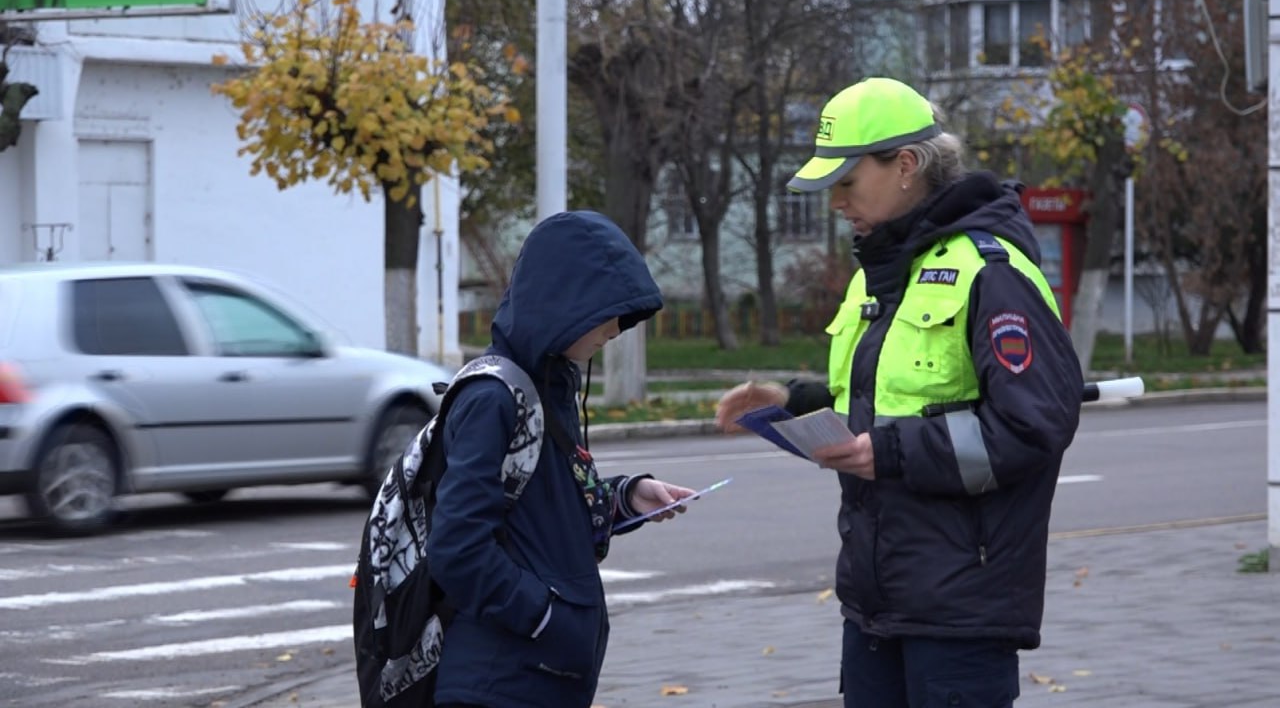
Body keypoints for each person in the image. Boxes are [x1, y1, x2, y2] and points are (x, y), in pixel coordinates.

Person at [715, 77, 1083, 707]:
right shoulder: (882, 273)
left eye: (847, 182)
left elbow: (1033, 428)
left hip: (961, 609)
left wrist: (888, 453)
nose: (836, 202)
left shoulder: (990, 272)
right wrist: (795, 402)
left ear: (906, 165)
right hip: (875, 604)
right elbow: (885, 401)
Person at [426, 210, 695, 708]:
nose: (615, 330)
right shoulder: (495, 397)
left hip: (537, 676)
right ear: (565, 302)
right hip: (499, 681)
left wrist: (626, 497)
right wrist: (543, 616)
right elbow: (457, 547)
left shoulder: (550, 386)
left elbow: (544, 508)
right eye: (607, 315)